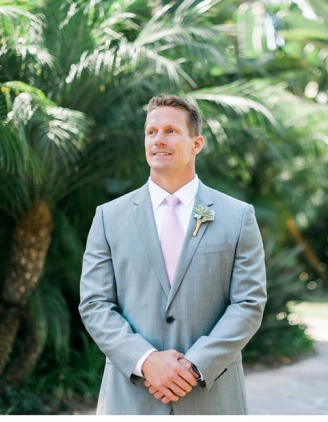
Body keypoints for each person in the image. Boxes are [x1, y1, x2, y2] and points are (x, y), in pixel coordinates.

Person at [78, 94, 267, 414]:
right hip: (131, 397)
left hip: (212, 397)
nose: (158, 140)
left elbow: (248, 304)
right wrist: (146, 361)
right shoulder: (109, 217)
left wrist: (195, 365)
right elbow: (95, 304)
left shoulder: (238, 216)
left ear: (197, 143)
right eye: (151, 132)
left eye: (170, 131)